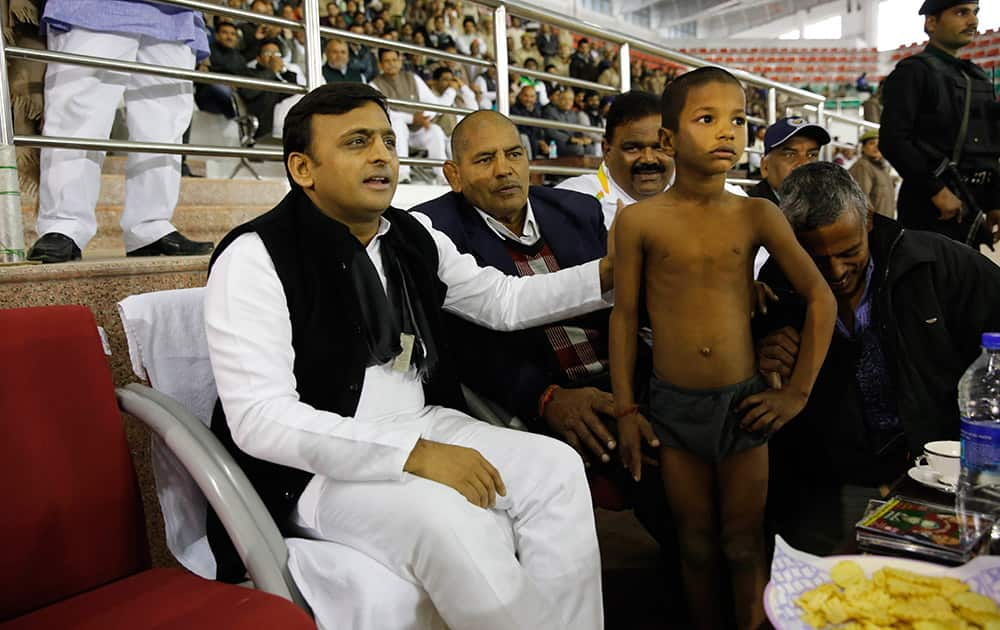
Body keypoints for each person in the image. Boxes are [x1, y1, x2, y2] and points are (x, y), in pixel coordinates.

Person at [205, 83, 610, 630]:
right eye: (357, 142)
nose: (381, 155)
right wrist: (412, 454)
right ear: (303, 168)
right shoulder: (255, 256)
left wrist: (613, 274)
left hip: (424, 420)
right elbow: (258, 420)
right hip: (311, 469)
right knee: (447, 517)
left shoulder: (411, 234)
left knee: (555, 468)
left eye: (388, 141)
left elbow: (502, 299)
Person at [610, 67, 835, 630]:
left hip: (743, 405)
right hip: (674, 409)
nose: (726, 133)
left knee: (742, 543)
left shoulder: (756, 213)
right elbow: (625, 316)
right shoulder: (638, 221)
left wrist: (798, 395)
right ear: (668, 139)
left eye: (737, 119)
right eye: (706, 119)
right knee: (694, 546)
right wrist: (627, 410)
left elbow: (820, 299)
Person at [410, 110, 671, 546]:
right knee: (659, 466)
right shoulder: (432, 229)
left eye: (514, 154)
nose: (504, 169)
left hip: (627, 374)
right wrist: (543, 398)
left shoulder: (576, 209)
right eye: (484, 159)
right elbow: (458, 343)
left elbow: (633, 302)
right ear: (453, 175)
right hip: (540, 392)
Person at [757, 162, 1000, 554]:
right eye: (816, 260)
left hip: (941, 471)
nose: (835, 272)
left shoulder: (937, 264)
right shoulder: (774, 290)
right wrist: (762, 356)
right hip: (831, 481)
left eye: (849, 251)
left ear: (869, 219)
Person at [27, 0, 214, 262]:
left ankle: (150, 225)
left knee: (165, 126)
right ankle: (64, 224)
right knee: (78, 115)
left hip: (175, 12)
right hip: (94, 7)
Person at [880, 0, 999, 245]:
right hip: (930, 206)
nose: (973, 21)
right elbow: (893, 140)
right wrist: (936, 190)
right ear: (931, 22)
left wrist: (995, 201)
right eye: (961, 12)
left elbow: (988, 146)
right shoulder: (912, 72)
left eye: (975, 12)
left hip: (971, 203)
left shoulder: (976, 76)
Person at [369, 48, 448, 183]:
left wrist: (424, 117)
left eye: (394, 60)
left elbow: (433, 103)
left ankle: (442, 175)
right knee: (398, 125)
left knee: (435, 131)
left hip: (418, 130)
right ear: (380, 65)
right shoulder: (374, 85)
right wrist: (412, 118)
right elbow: (385, 114)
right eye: (387, 61)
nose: (391, 64)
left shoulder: (413, 78)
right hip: (394, 134)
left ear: (400, 62)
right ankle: (403, 175)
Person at [747, 116, 831, 208]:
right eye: (790, 154)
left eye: (812, 155)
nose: (804, 163)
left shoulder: (824, 205)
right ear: (765, 167)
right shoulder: (747, 213)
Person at [239, 38, 301, 138]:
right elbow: (248, 92)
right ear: (258, 58)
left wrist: (283, 70)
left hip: (274, 133)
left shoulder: (276, 77)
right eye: (268, 53)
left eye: (277, 54)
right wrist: (272, 71)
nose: (273, 57)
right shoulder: (248, 73)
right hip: (253, 131)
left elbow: (291, 90)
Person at [849, 130, 896, 219]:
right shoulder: (863, 166)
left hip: (886, 223)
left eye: (879, 144)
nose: (877, 147)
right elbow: (862, 199)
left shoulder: (882, 168)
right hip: (873, 226)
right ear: (863, 147)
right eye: (871, 143)